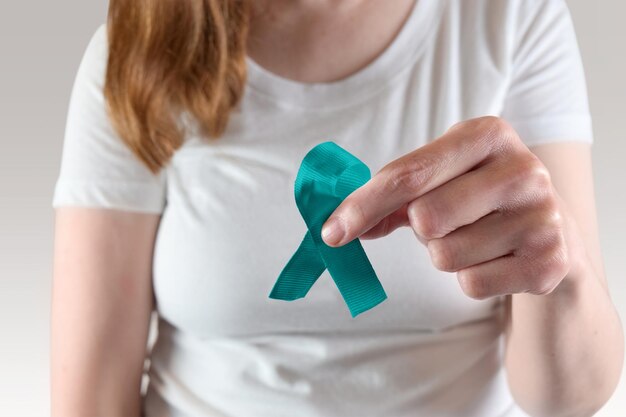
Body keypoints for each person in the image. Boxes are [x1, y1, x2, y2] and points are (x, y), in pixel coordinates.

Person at [50, 0, 624, 416]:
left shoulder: (514, 17)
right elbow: (90, 396)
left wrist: (562, 271)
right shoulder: (138, 48)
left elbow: (568, 401)